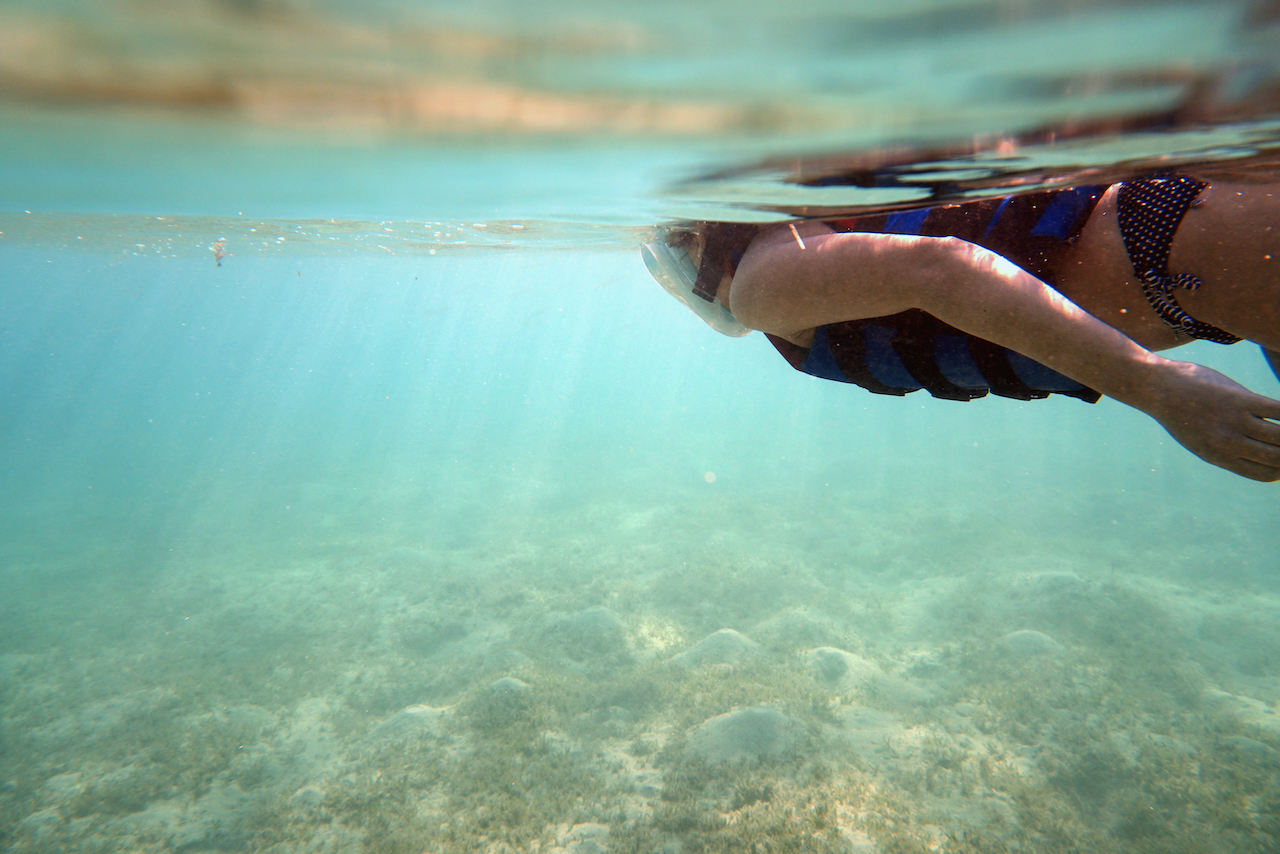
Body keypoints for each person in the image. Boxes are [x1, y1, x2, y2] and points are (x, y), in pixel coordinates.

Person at [642, 171, 1280, 481]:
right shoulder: (804, 227)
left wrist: (1156, 388)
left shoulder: (763, 286)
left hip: (1173, 256)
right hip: (1180, 255)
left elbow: (940, 269)